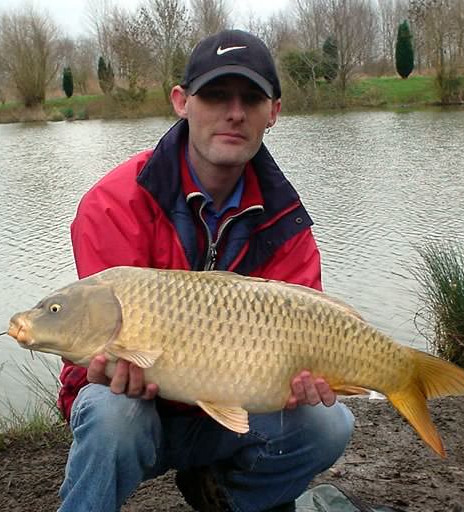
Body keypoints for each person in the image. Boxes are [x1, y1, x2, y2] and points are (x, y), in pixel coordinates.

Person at [57, 29, 354, 512]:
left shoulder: (286, 222)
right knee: (113, 414)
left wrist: (308, 379)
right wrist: (103, 365)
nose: (234, 112)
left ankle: (223, 496)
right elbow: (87, 335)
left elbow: (308, 342)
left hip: (232, 411)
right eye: (215, 95)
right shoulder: (114, 202)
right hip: (134, 405)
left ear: (273, 112)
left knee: (330, 423)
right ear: (181, 101)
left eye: (251, 98)